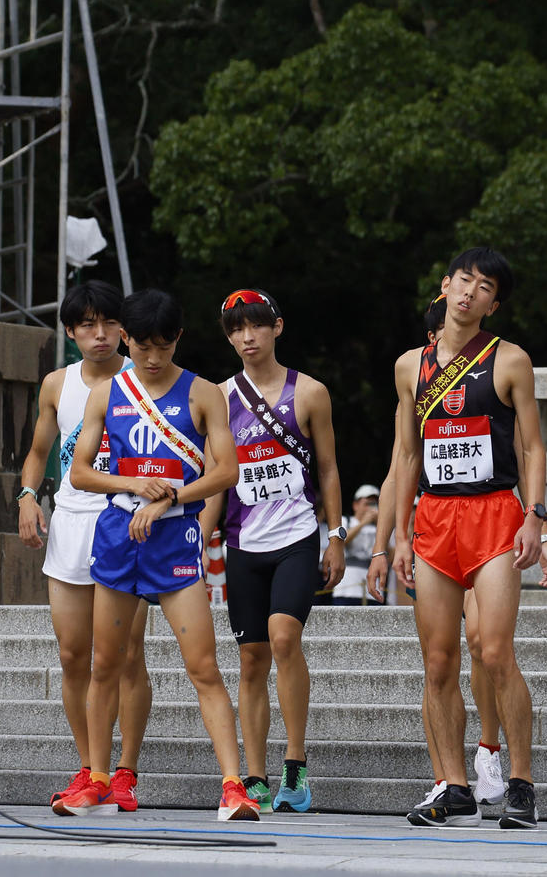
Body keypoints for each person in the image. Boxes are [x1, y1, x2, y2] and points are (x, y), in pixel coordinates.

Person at [62, 288, 258, 821]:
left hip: (175, 541)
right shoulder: (106, 392)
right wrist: (135, 483)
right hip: (119, 536)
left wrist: (169, 495)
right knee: (105, 664)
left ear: (179, 339)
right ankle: (98, 779)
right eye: (143, 346)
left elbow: (226, 470)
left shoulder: (203, 393)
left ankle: (234, 786)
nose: (152, 358)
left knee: (204, 668)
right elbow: (79, 472)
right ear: (126, 337)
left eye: (164, 347)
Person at [368, 294, 547, 817]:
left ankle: (518, 781)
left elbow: (531, 447)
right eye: (462, 280)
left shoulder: (508, 359)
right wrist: (398, 538)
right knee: (437, 662)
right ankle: (453, 787)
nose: (468, 291)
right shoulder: (410, 367)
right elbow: (405, 456)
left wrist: (538, 521)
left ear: (494, 303)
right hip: (434, 517)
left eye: (482, 285)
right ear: (445, 287)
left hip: (494, 512)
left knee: (493, 650)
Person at [198, 287, 346, 813]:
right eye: (236, 329)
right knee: (251, 657)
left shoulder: (310, 393)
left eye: (256, 325)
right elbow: (217, 480)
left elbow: (326, 467)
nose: (247, 337)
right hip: (244, 543)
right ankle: (255, 775)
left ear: (276, 327)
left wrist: (335, 534)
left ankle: (296, 763)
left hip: (297, 537)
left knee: (284, 639)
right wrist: (200, 540)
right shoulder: (217, 397)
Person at [16, 281, 153, 813]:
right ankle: (90, 767)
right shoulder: (57, 384)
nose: (101, 335)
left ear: (125, 327)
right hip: (71, 522)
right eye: (87, 325)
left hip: (127, 522)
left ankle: (125, 771)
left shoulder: (145, 378)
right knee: (74, 655)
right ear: (70, 331)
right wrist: (29, 496)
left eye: (109, 323)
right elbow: (37, 451)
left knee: (126, 657)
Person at [338, 484, 381, 604]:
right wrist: (363, 523)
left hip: (373, 588)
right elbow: (339, 543)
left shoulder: (380, 528)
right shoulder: (345, 521)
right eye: (367, 504)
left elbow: (391, 556)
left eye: (374, 504)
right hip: (347, 586)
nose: (371, 508)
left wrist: (380, 525)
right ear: (355, 505)